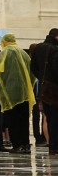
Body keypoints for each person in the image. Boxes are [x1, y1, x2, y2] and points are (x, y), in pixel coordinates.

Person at [0, 33, 34, 153]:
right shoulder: (23, 53)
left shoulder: (5, 53)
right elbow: (32, 72)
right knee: (24, 120)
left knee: (13, 120)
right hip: (24, 94)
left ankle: (17, 145)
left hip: (10, 94)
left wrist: (0, 89)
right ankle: (26, 144)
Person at [30, 28, 58, 157]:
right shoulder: (55, 50)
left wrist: (42, 79)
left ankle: (52, 145)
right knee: (54, 118)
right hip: (54, 89)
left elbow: (33, 68)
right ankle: (54, 145)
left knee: (48, 117)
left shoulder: (38, 48)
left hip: (42, 88)